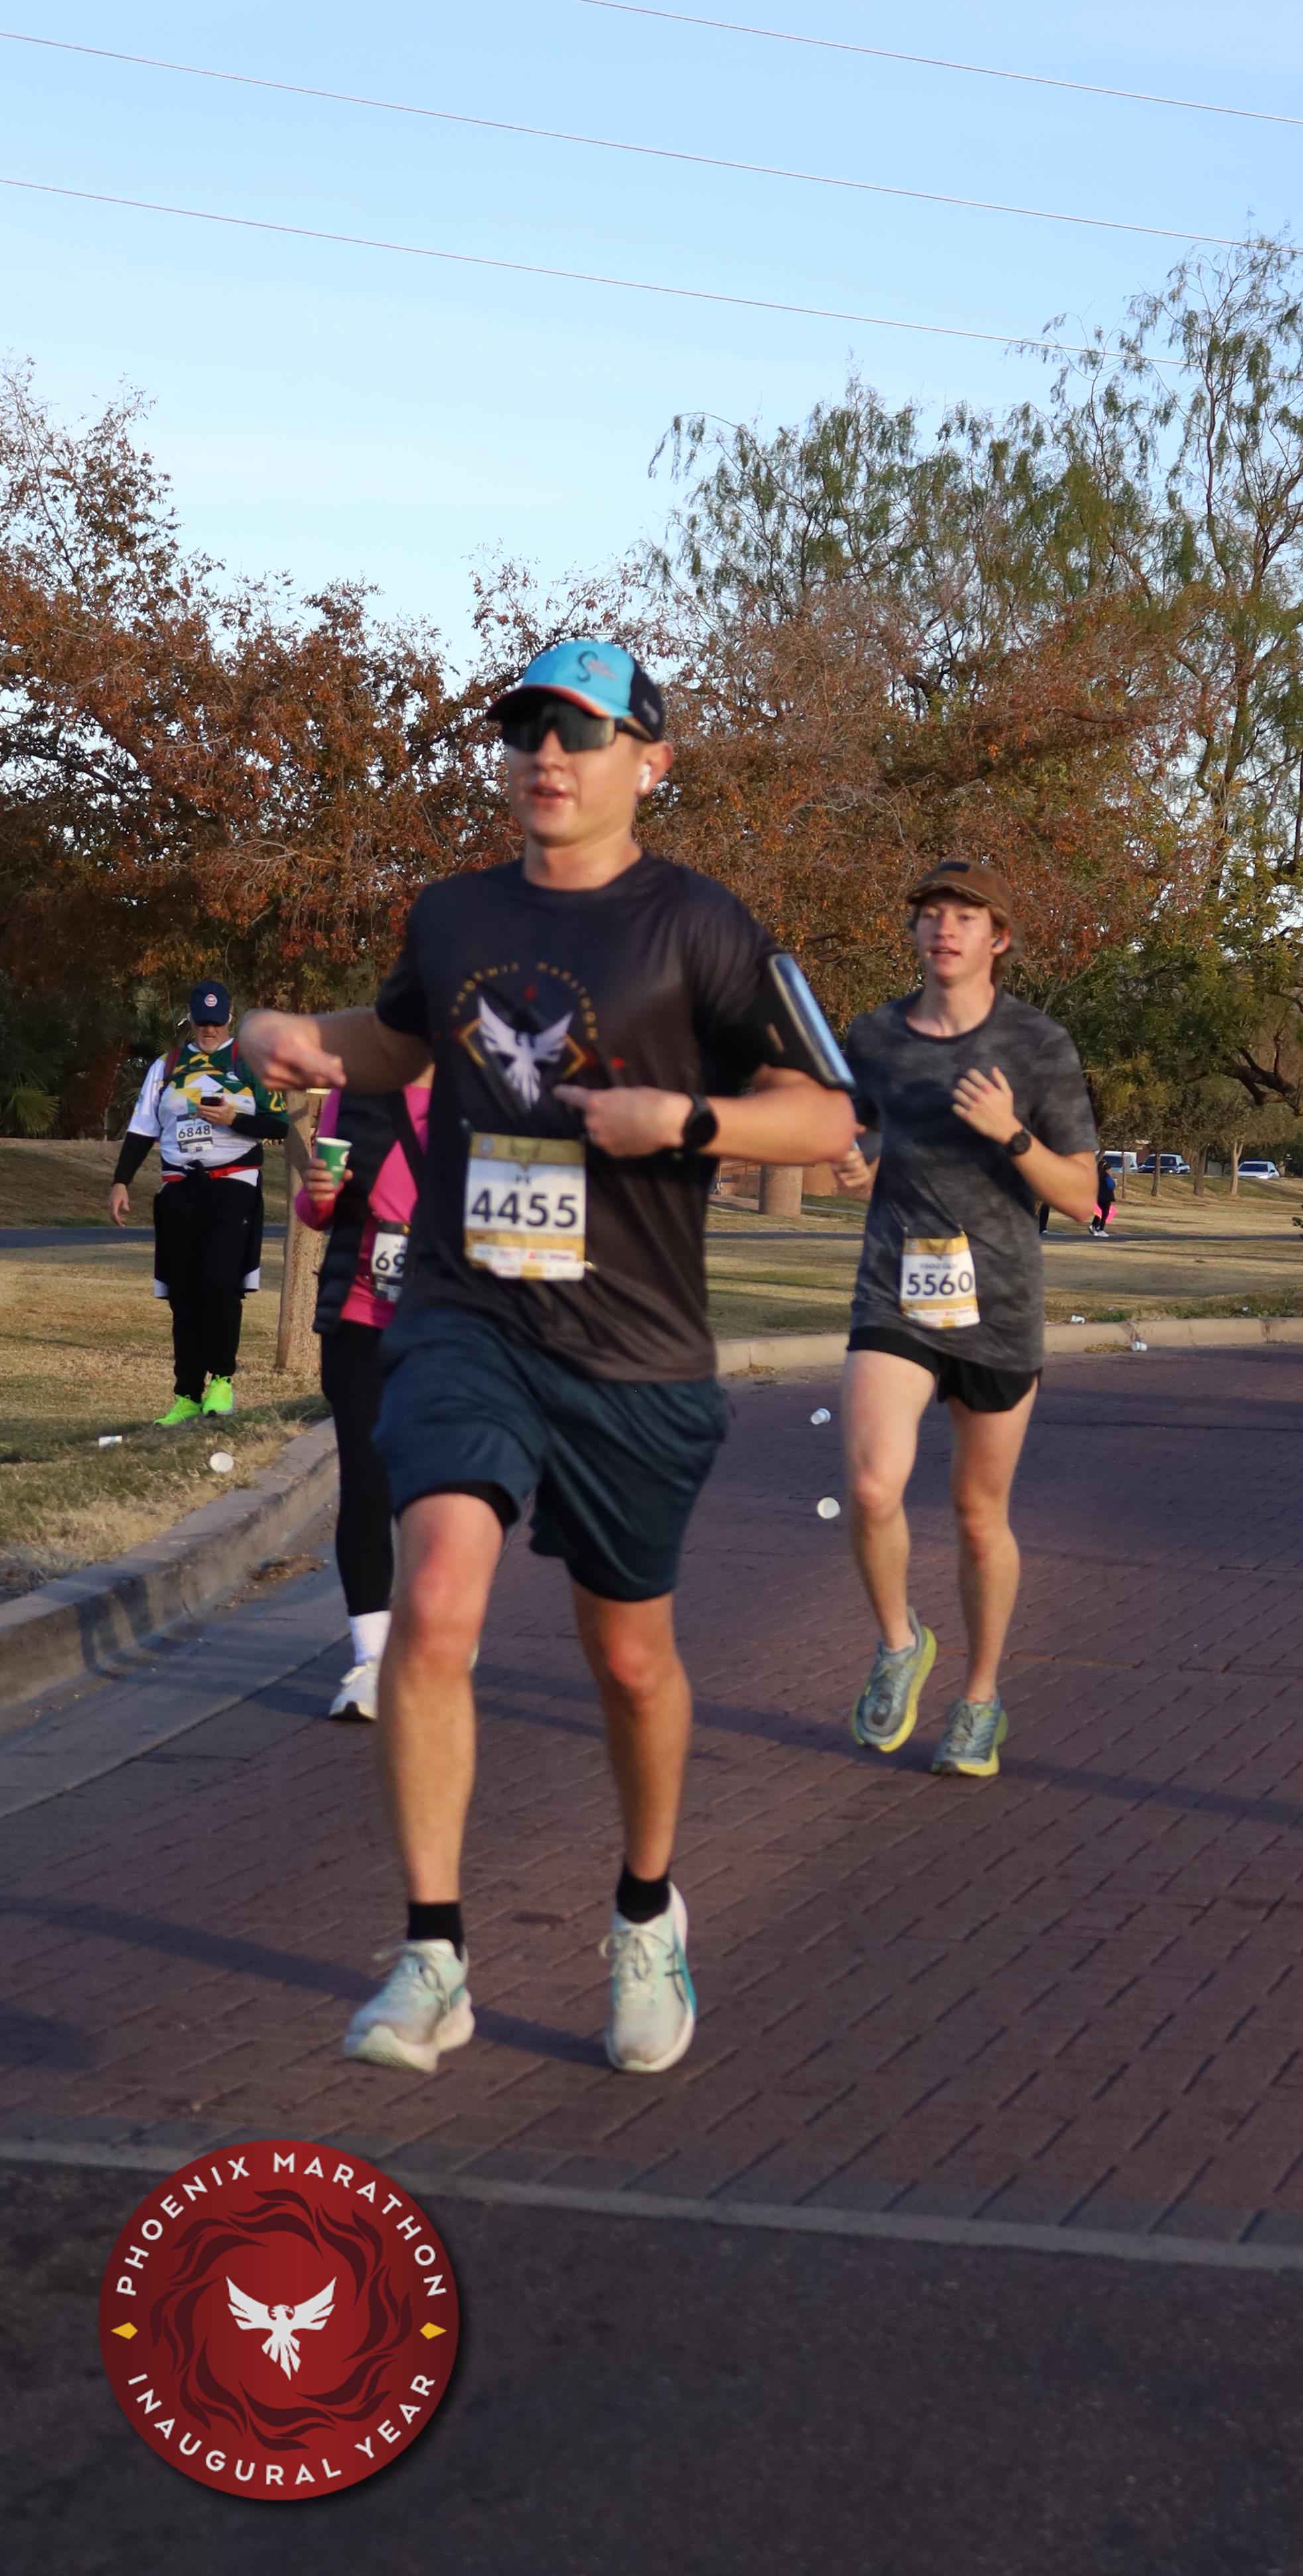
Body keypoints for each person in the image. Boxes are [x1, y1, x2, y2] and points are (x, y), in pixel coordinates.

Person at [239, 638, 855, 2080]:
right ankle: (432, 1954)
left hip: (633, 1345)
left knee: (629, 1661)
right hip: (467, 1315)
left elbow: (826, 1116)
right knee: (435, 1603)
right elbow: (401, 1044)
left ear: (652, 759)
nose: (547, 756)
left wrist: (686, 1123)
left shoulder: (703, 926)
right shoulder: (454, 912)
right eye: (527, 730)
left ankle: (645, 1911)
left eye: (580, 732)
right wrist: (297, 1035)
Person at [835, 856, 1098, 1783]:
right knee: (872, 1486)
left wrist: (1010, 1133)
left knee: (979, 1517)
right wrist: (852, 1163)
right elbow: (853, 1141)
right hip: (895, 1291)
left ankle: (980, 1698)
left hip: (1000, 1305)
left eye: (965, 915)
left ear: (999, 938)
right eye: (931, 914)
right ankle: (900, 1642)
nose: (944, 928)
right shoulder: (874, 1037)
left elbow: (1084, 1198)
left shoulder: (1036, 1044)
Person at [294, 1075, 433, 1721]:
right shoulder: (356, 1096)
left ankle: (441, 1627)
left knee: (440, 1491)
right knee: (367, 1480)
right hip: (360, 1317)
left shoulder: (491, 1092)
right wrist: (317, 1195)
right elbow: (318, 1209)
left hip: (454, 1325)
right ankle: (372, 1659)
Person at [108, 981, 289, 1424]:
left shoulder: (249, 1062)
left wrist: (235, 1118)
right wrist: (121, 1182)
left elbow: (279, 1124)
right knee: (184, 1292)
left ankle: (222, 1381)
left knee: (220, 1282)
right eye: (202, 1022)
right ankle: (187, 1394)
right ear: (189, 1020)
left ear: (230, 1018)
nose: (210, 1030)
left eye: (217, 1022)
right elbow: (142, 1129)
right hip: (179, 1186)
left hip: (234, 1184)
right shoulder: (167, 1066)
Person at [1090, 1158, 1117, 1238]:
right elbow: (1111, 1186)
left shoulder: (1098, 1176)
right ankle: (1101, 1229)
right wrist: (1114, 1183)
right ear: (1107, 1170)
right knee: (1105, 1214)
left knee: (1100, 1213)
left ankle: (1094, 1225)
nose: (1110, 1171)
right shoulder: (1107, 1176)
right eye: (1110, 1170)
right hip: (1106, 1197)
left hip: (1099, 1197)